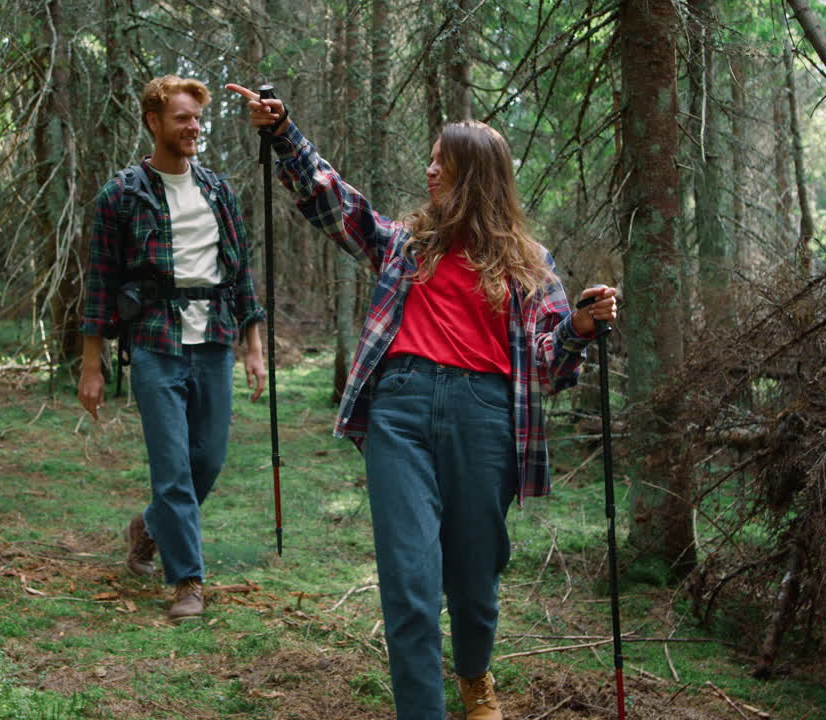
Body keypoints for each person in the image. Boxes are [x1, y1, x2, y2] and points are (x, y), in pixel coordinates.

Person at [227, 83, 617, 720]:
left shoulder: (530, 264)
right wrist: (283, 135)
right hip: (399, 411)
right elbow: (338, 205)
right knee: (409, 581)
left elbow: (548, 367)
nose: (430, 170)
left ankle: (474, 677)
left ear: (476, 176)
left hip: (485, 419)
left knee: (474, 580)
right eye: (431, 159)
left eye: (444, 162)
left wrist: (577, 326)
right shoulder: (407, 243)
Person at [79, 76, 267, 622]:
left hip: (214, 340)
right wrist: (91, 364)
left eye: (197, 119)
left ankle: (149, 527)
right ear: (154, 122)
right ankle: (188, 580)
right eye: (182, 118)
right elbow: (99, 283)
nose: (193, 128)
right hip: (154, 342)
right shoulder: (121, 195)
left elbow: (240, 272)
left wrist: (254, 347)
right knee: (173, 469)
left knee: (208, 459)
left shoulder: (218, 191)